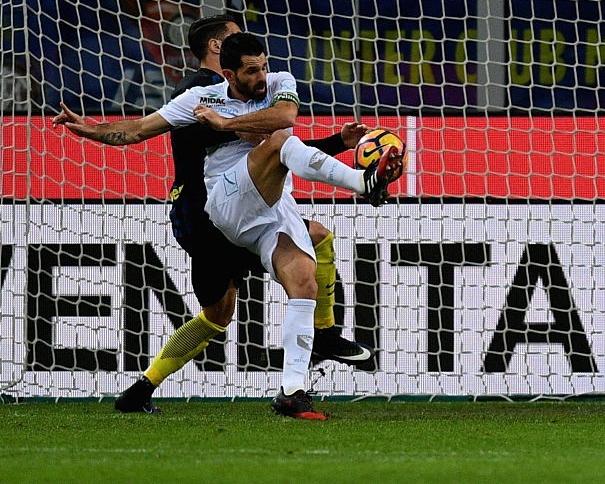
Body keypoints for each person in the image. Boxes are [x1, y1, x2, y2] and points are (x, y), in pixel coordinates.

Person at [53, 32, 402, 420]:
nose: (261, 76)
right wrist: (90, 129)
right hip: (224, 201)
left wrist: (227, 122)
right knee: (283, 150)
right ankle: (362, 184)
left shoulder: (279, 84)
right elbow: (136, 130)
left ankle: (291, 392)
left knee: (302, 281)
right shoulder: (200, 96)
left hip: (271, 207)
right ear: (229, 74)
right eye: (252, 71)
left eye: (264, 66)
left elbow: (285, 119)